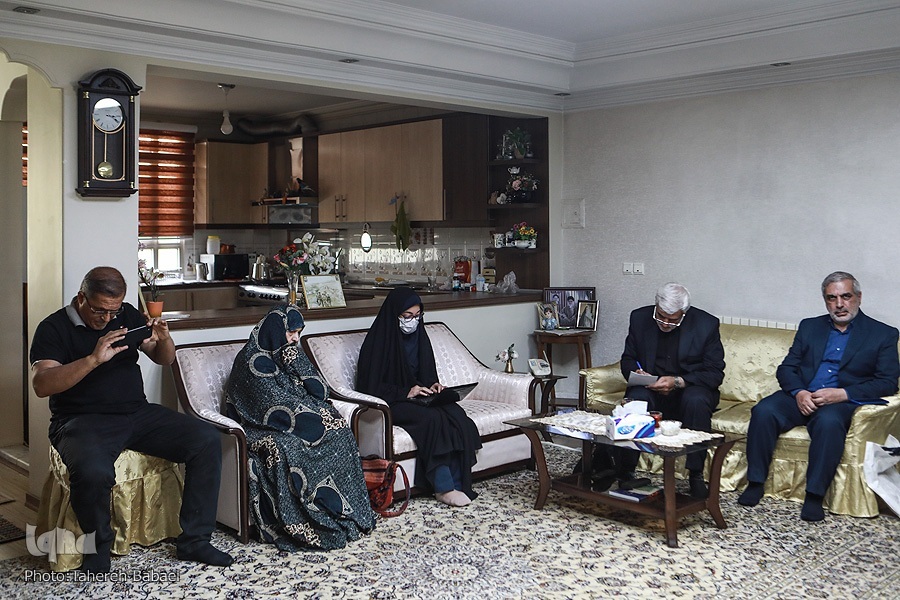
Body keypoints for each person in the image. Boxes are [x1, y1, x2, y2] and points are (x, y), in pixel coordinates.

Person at [29, 267, 232, 573]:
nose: (107, 318)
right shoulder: (53, 327)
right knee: (93, 472)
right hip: (81, 420)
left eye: (114, 311)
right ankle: (97, 549)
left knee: (205, 440)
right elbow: (41, 384)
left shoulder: (127, 315)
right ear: (82, 297)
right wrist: (93, 359)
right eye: (99, 310)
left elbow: (163, 357)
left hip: (137, 413)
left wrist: (164, 339)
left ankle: (195, 541)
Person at [738, 271, 899, 521]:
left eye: (846, 296)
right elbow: (787, 368)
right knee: (764, 410)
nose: (839, 304)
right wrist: (799, 392)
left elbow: (887, 382)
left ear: (858, 297)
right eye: (832, 298)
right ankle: (756, 482)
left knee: (828, 422)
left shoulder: (883, 333)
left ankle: (814, 495)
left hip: (841, 400)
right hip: (802, 394)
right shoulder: (810, 326)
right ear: (825, 301)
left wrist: (842, 394)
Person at [225, 305, 375, 550]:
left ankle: (343, 511)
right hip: (256, 426)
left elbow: (320, 391)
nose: (295, 339)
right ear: (275, 330)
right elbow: (272, 404)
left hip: (292, 422)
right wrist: (318, 420)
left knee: (339, 431)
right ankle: (306, 522)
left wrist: (298, 362)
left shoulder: (287, 355)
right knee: (291, 448)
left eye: (299, 333)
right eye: (291, 332)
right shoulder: (251, 362)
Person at [356, 287, 481, 507]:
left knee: (454, 412)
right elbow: (370, 387)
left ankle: (460, 481)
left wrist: (432, 385)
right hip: (390, 403)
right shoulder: (377, 343)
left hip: (417, 398)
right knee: (432, 420)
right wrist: (406, 392)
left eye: (417, 316)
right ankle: (443, 487)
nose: (412, 321)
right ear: (394, 314)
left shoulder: (419, 337)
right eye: (407, 316)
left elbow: (426, 373)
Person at [616, 282, 725, 498]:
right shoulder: (639, 318)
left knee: (696, 400)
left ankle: (695, 474)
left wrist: (678, 382)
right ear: (656, 306)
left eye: (672, 320)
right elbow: (628, 359)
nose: (665, 323)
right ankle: (625, 471)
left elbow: (714, 373)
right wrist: (638, 373)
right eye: (661, 317)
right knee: (636, 398)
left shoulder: (706, 324)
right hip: (651, 388)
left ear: (684, 313)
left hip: (689, 389)